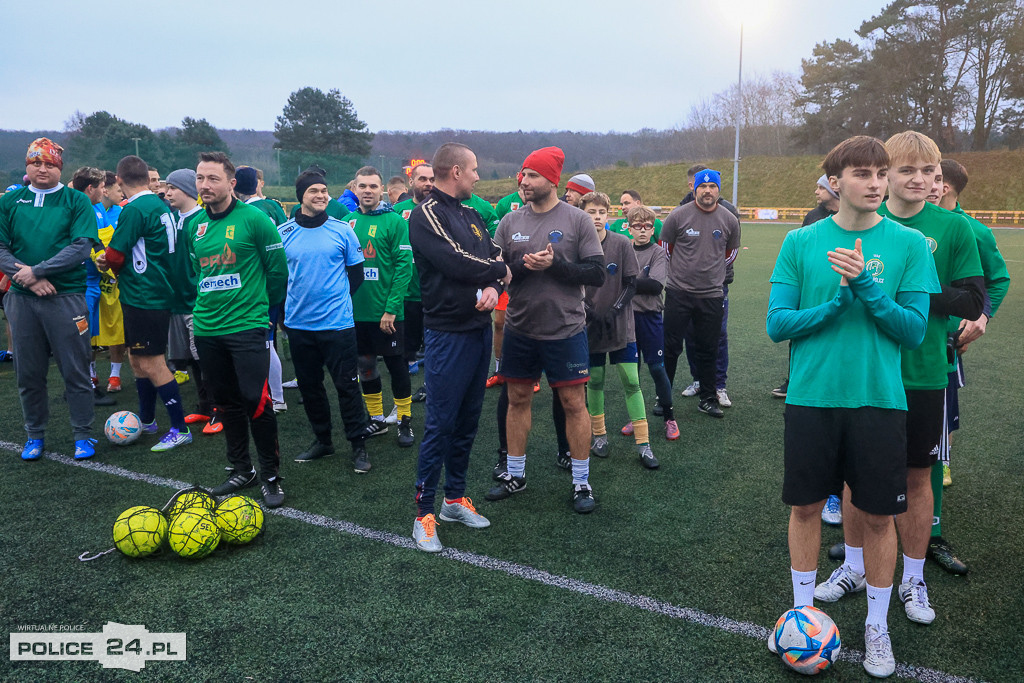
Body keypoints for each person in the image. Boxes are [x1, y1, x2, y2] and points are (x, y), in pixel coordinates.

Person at [766, 135, 939, 678]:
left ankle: (877, 627)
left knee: (880, 517)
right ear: (834, 182)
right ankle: (801, 615)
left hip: (880, 402)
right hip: (811, 399)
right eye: (862, 173)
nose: (875, 183)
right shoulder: (801, 243)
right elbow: (777, 324)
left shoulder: (909, 245)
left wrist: (866, 287)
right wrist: (837, 300)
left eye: (880, 173)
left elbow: (913, 331)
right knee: (805, 509)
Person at [816, 131, 983, 632]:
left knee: (917, 476)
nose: (919, 180)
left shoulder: (953, 228)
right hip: (866, 373)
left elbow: (973, 300)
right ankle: (852, 565)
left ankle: (913, 578)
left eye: (929, 172)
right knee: (852, 475)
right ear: (886, 174)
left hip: (923, 372)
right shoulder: (861, 221)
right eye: (905, 170)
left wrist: (910, 294)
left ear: (939, 179)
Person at [490, 146, 605, 514]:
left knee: (573, 403)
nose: (524, 181)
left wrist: (556, 265)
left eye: (533, 175)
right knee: (517, 398)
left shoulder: (577, 220)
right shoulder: (509, 223)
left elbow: (597, 274)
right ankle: (516, 474)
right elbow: (499, 272)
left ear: (552, 180)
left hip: (566, 329)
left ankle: (582, 481)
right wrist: (525, 266)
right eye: (523, 174)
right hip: (521, 328)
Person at [408, 142, 511, 552]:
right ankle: (423, 514)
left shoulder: (471, 214)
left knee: (468, 421)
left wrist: (493, 282)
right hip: (446, 332)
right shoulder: (425, 214)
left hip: (477, 330)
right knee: (441, 423)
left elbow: (492, 256)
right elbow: (455, 261)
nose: (477, 176)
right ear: (454, 171)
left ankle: (454, 499)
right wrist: (497, 272)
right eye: (473, 170)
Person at [924, 158, 1011, 575]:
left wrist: (981, 317)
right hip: (889, 352)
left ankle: (931, 533)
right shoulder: (884, 221)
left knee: (938, 439)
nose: (929, 185)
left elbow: (997, 279)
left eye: (936, 178)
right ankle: (864, 537)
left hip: (941, 349)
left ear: (950, 187)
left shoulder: (971, 229)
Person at [189, 151, 288, 508]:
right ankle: (240, 469)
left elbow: (278, 273)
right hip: (207, 327)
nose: (205, 185)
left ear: (231, 183)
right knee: (226, 402)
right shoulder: (193, 225)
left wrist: (263, 311)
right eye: (200, 178)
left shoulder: (256, 220)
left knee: (255, 400)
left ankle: (270, 474)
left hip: (247, 325)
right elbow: (196, 272)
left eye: (213, 179)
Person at [0, 138, 100, 460]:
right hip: (21, 299)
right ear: (27, 165)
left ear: (59, 167)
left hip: (66, 296)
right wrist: (28, 278)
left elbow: (81, 247)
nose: (42, 169)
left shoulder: (75, 201)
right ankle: (34, 434)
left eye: (50, 164)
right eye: (36, 163)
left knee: (76, 369)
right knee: (28, 372)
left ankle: (83, 435)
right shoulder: (10, 202)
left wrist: (39, 271)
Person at [280, 169, 374, 473]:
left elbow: (356, 274)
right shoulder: (284, 233)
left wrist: (335, 300)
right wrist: (285, 313)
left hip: (337, 325)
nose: (320, 196)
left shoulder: (342, 229)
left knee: (347, 385)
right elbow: (280, 278)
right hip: (299, 326)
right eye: (313, 191)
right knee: (310, 387)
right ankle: (323, 440)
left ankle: (358, 445)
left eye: (323, 190)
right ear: (301, 197)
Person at [99, 155, 192, 453]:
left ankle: (179, 428)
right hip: (150, 292)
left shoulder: (135, 209)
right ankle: (148, 419)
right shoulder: (159, 204)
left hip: (145, 295)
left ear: (120, 181)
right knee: (137, 359)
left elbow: (116, 254)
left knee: (152, 362)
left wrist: (104, 261)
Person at [578, 192, 657, 469]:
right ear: (582, 214)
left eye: (601, 211)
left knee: (632, 382)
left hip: (621, 326)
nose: (597, 217)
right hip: (590, 326)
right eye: (591, 211)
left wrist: (614, 310)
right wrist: (590, 312)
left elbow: (631, 283)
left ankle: (644, 444)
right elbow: (573, 286)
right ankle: (599, 436)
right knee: (596, 381)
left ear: (608, 214)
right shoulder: (577, 245)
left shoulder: (622, 244)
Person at [660, 169, 740, 418]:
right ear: (694, 189)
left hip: (712, 295)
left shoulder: (729, 219)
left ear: (718, 190)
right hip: (678, 292)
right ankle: (663, 398)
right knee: (671, 347)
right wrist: (684, 274)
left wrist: (710, 275)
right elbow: (666, 248)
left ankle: (708, 398)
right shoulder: (678, 216)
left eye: (712, 187)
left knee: (709, 348)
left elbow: (731, 253)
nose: (707, 191)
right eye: (702, 187)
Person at [347, 166, 415, 448]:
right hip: (355, 312)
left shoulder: (395, 221)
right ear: (355, 189)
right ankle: (375, 418)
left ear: (382, 190)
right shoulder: (347, 222)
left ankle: (405, 420)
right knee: (365, 364)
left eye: (373, 187)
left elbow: (404, 268)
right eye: (362, 186)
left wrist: (391, 308)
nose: (367, 191)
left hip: (388, 313)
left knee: (396, 365)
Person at [621, 205, 678, 440]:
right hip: (627, 318)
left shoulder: (657, 252)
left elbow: (655, 286)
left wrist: (627, 282)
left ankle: (669, 418)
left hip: (650, 318)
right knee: (631, 373)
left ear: (653, 229)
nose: (643, 230)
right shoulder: (624, 250)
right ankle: (636, 417)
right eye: (638, 226)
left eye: (647, 226)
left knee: (656, 368)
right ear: (629, 228)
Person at [163, 169, 212, 427]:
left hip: (197, 301)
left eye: (173, 188)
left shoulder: (202, 219)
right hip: (177, 301)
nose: (167, 193)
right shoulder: (172, 218)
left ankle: (218, 408)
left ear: (189, 190)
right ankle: (204, 406)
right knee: (191, 357)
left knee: (204, 355)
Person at [235, 166, 286, 412]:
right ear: (257, 184)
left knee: (265, 342)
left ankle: (276, 397)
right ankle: (274, 394)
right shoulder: (274, 206)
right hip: (278, 280)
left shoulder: (247, 213)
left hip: (260, 284)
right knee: (271, 339)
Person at [70, 166, 115, 406]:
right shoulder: (74, 209)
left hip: (94, 284)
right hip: (79, 286)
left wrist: (100, 254)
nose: (104, 190)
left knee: (88, 339)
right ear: (90, 188)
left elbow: (97, 240)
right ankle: (83, 387)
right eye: (101, 186)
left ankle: (89, 383)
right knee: (80, 338)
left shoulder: (95, 209)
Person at [394, 162, 434, 405]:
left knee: (435, 347)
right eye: (423, 179)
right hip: (405, 294)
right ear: (412, 182)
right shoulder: (398, 211)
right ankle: (403, 400)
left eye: (432, 179)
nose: (428, 184)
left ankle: (432, 388)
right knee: (404, 350)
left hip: (434, 293)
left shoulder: (442, 209)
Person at [95, 172, 127, 393]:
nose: (121, 193)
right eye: (117, 189)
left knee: (117, 327)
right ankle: (91, 375)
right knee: (89, 330)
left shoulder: (122, 212)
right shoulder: (88, 209)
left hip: (115, 281)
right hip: (91, 280)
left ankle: (115, 376)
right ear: (105, 190)